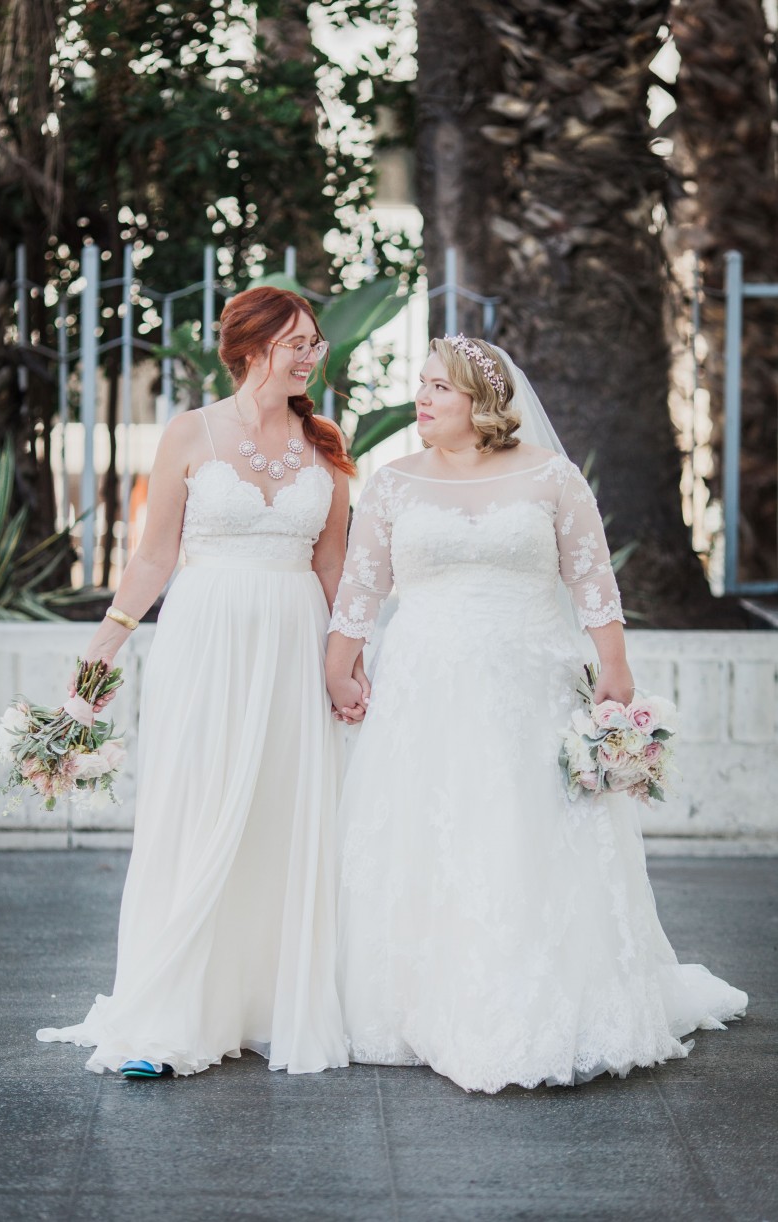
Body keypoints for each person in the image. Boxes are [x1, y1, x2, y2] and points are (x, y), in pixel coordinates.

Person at [325, 334, 747, 1093]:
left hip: (533, 681)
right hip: (425, 683)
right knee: (431, 827)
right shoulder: (392, 485)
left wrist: (614, 676)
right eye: (419, 384)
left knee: (525, 827)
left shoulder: (551, 478)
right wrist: (339, 661)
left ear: (482, 403)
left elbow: (591, 584)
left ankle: (549, 996)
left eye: (438, 389)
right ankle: (415, 1000)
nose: (420, 398)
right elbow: (361, 584)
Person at [38, 285, 360, 1078]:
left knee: (282, 811)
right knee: (198, 805)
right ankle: (170, 1011)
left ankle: (261, 1001)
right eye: (298, 343)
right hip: (206, 636)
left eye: (315, 344)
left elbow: (332, 567)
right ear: (252, 346)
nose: (312, 356)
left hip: (292, 637)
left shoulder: (324, 444)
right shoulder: (190, 432)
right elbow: (153, 557)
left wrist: (347, 665)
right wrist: (101, 653)